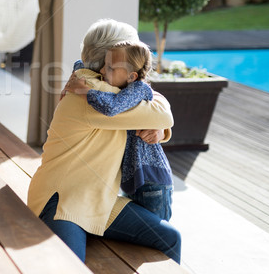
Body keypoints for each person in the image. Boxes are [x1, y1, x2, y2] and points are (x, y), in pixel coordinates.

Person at [27, 19, 181, 263]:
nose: (138, 74)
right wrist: (160, 123)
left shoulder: (97, 86)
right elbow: (162, 112)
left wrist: (160, 130)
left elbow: (152, 109)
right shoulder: (92, 96)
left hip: (100, 201)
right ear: (106, 63)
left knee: (169, 237)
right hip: (63, 200)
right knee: (71, 266)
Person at [66, 40, 174, 221]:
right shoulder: (123, 86)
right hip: (136, 181)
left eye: (109, 67)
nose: (101, 71)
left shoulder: (138, 89)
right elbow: (82, 63)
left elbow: (111, 107)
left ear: (131, 76)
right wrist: (76, 72)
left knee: (156, 238)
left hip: (151, 182)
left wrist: (82, 90)